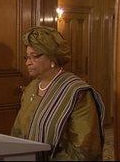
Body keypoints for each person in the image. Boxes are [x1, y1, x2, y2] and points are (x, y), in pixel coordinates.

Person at [11, 26, 105, 161]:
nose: (27, 63)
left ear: (52, 59)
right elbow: (18, 131)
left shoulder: (77, 93)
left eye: (34, 56)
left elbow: (85, 150)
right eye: (27, 57)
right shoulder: (32, 87)